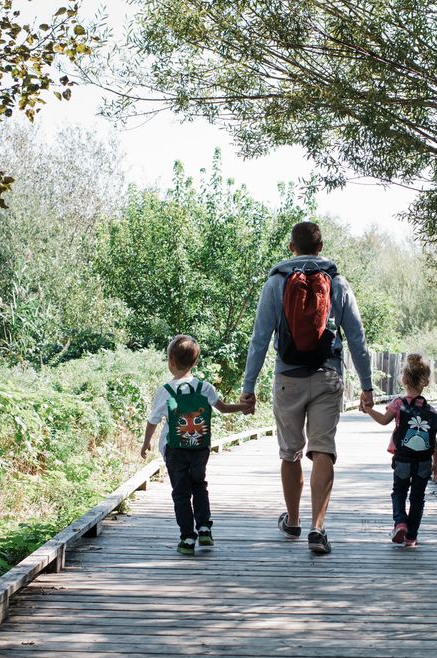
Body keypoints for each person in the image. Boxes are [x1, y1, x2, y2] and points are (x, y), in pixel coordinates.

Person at [240, 220, 373, 555]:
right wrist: (368, 386)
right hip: (328, 376)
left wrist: (248, 387)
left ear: (291, 247)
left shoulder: (276, 283)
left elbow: (259, 339)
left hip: (287, 378)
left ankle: (294, 522)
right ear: (321, 246)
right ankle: (318, 527)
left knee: (290, 452)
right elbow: (357, 339)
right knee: (323, 449)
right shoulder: (337, 282)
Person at [141, 335, 251, 556]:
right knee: (199, 485)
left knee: (181, 493)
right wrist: (243, 406)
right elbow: (223, 407)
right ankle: (204, 528)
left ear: (171, 360)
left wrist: (146, 444)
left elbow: (153, 421)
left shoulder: (166, 391)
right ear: (195, 362)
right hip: (200, 447)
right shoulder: (205, 387)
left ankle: (187, 539)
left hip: (175, 450)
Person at [363, 354, 437, 548]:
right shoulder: (431, 411)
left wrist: (368, 409)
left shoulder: (398, 404)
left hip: (403, 460)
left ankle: (400, 523)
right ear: (425, 382)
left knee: (399, 492)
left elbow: (383, 420)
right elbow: (432, 440)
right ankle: (411, 537)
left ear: (404, 379)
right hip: (424, 462)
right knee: (417, 498)